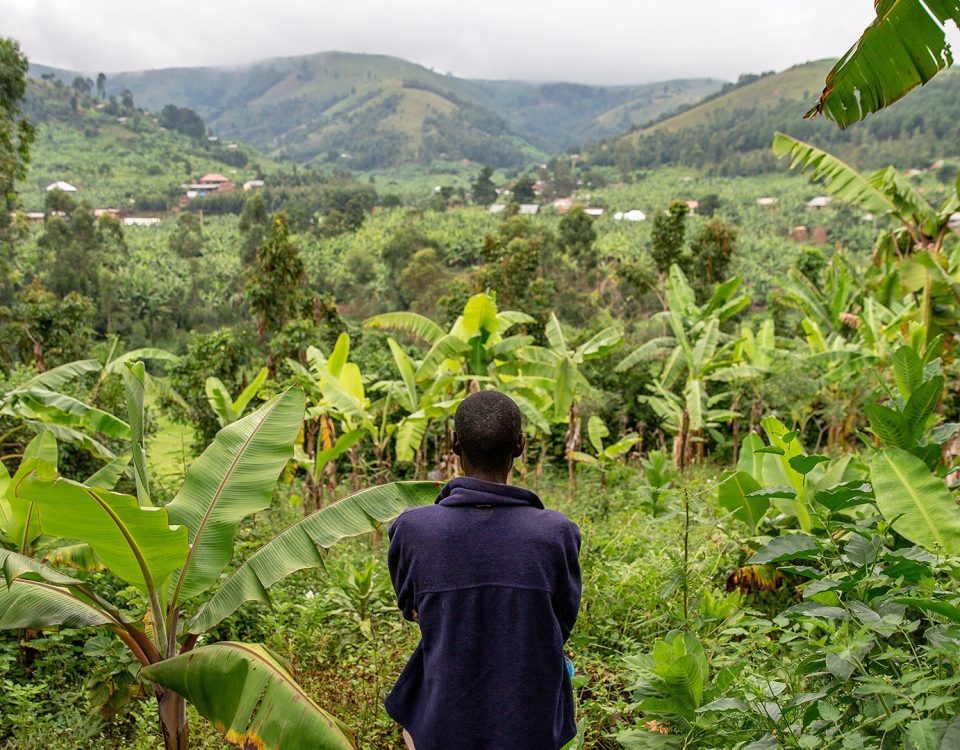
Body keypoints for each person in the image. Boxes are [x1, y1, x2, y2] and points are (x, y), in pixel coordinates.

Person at [384, 390, 582, 750]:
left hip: (442, 720)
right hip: (531, 724)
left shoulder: (412, 529)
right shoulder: (557, 533)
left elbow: (412, 610)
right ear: (520, 447)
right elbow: (561, 621)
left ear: (455, 444)